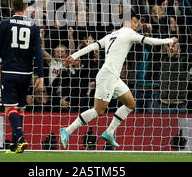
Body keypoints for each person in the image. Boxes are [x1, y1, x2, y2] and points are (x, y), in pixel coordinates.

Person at [59, 13, 177, 149]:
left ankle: (109, 132)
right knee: (98, 111)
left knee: (131, 104)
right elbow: (150, 41)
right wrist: (170, 40)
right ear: (126, 22)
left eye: (138, 23)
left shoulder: (111, 35)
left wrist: (74, 55)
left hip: (113, 77)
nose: (137, 25)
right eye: (134, 22)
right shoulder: (128, 33)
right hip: (107, 75)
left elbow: (92, 46)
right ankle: (67, 130)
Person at [0, 0, 44, 154]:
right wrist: (41, 75)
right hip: (26, 73)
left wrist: (5, 58)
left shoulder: (4, 24)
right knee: (20, 107)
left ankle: (21, 137)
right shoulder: (34, 26)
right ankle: (14, 145)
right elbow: (38, 53)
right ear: (25, 8)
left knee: (9, 108)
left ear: (12, 7)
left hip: (9, 71)